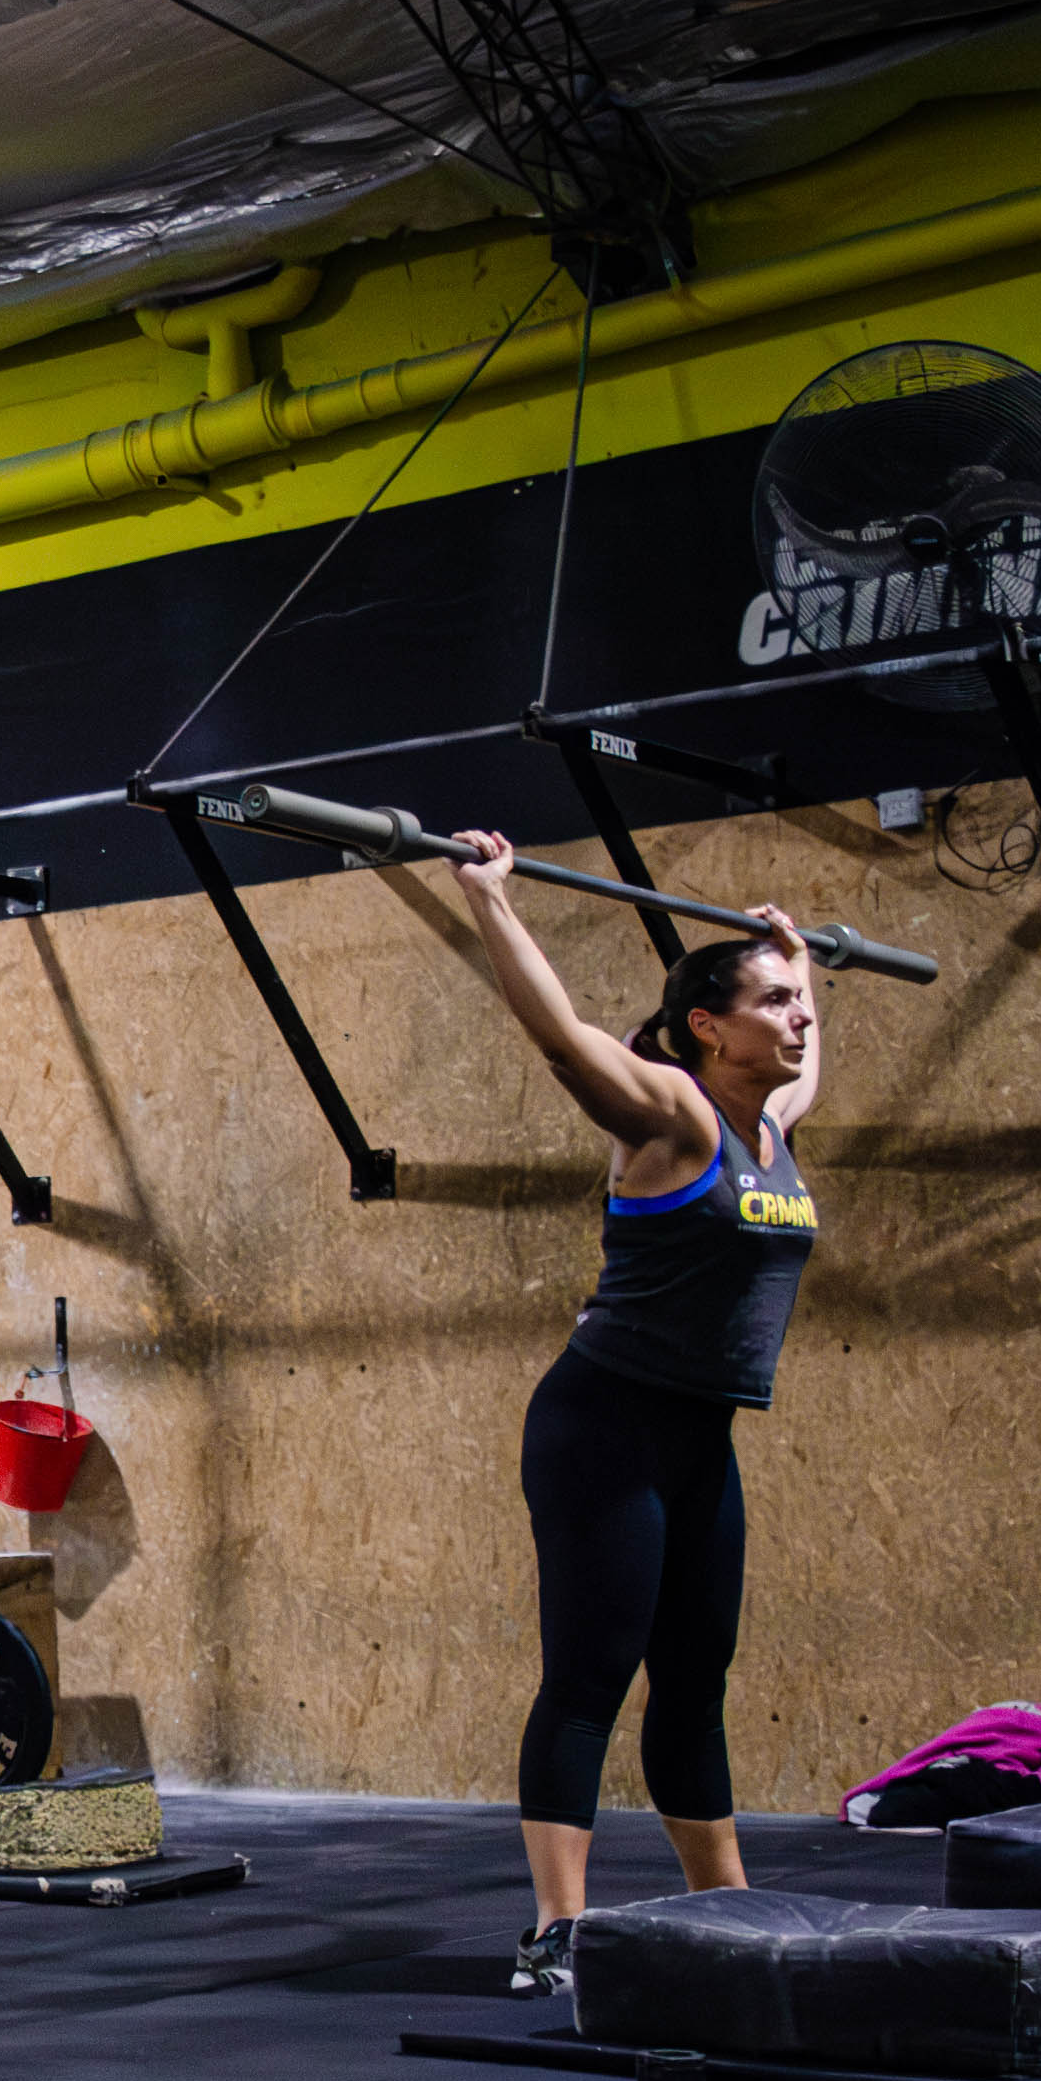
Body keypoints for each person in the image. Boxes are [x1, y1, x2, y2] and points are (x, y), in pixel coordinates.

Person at [445, 831, 824, 1994]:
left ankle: (726, 1908)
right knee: (590, 1674)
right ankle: (555, 1932)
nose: (797, 1021)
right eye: (773, 1004)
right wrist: (488, 900)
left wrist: (796, 956)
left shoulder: (771, 1128)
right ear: (706, 1026)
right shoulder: (670, 1115)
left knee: (696, 1672)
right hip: (601, 1430)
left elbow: (812, 1067)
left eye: (799, 1005)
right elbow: (558, 1039)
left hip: (699, 1438)